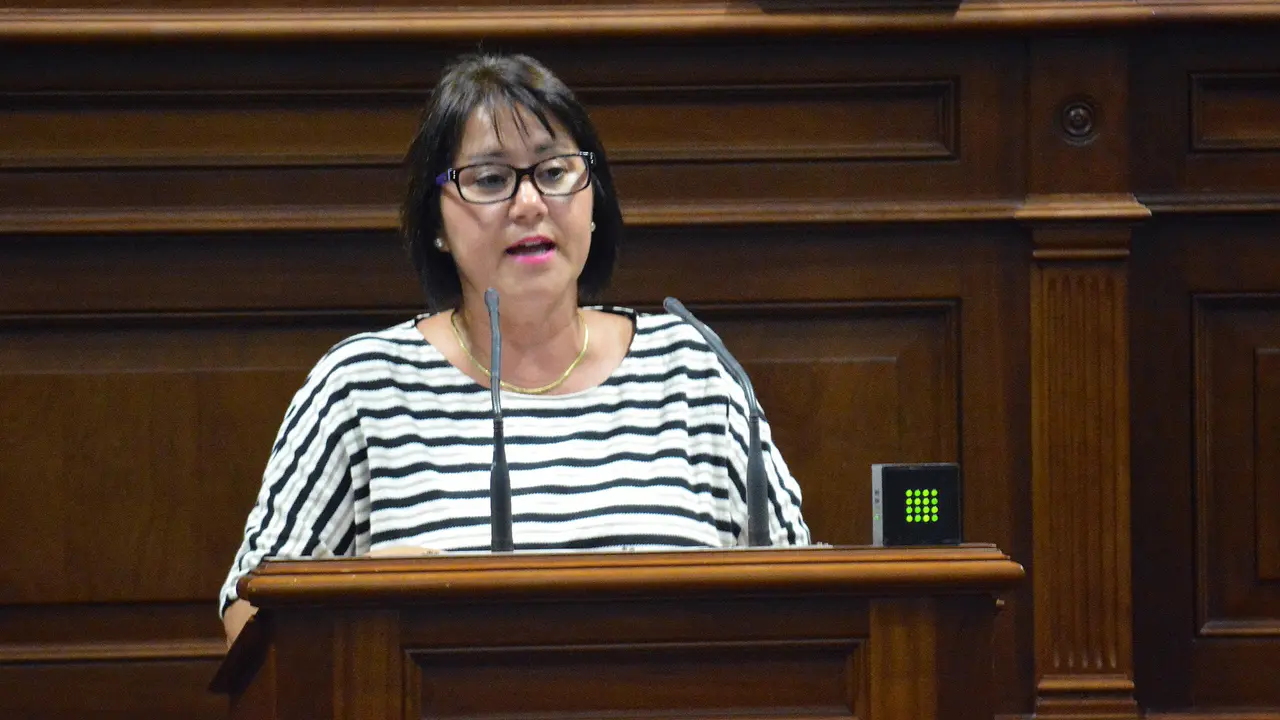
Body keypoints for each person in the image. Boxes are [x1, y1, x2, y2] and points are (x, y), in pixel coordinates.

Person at [219, 52, 810, 645]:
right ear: (436, 224)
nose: (529, 204)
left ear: (592, 198)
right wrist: (378, 607)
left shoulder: (693, 372)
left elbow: (805, 590)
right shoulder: (363, 388)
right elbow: (249, 606)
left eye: (554, 172)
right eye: (490, 180)